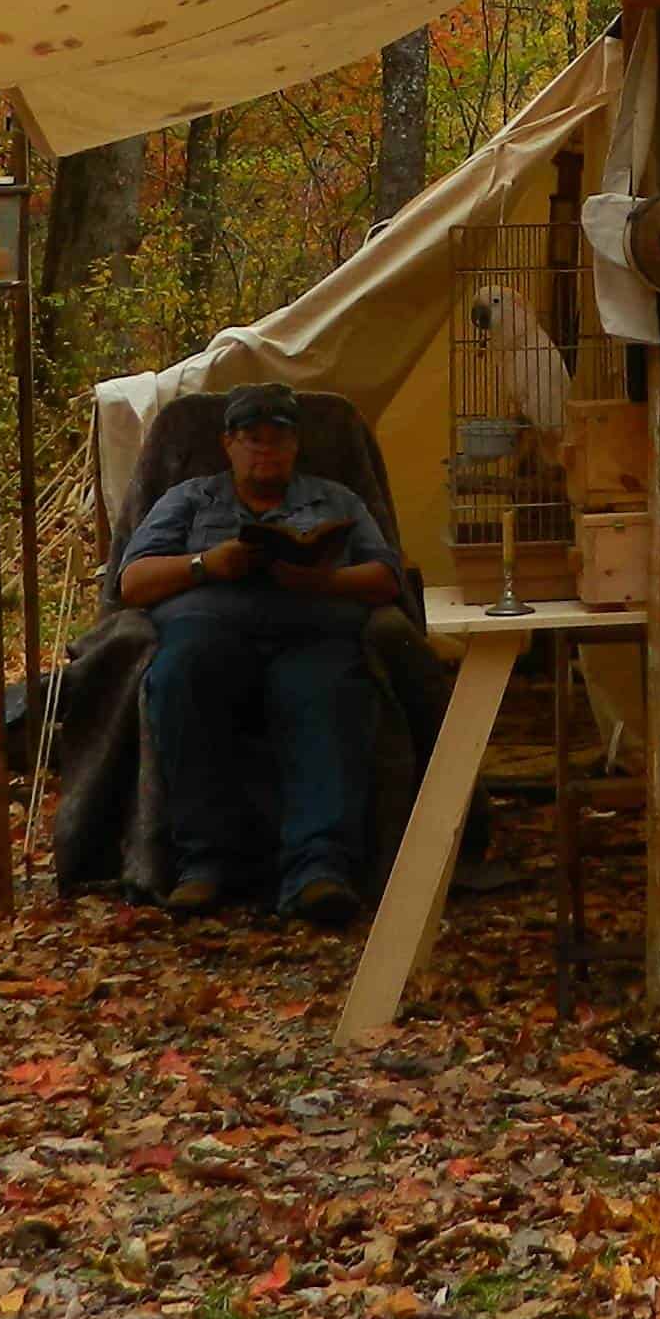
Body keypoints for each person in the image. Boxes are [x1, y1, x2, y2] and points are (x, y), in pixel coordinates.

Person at [112, 384, 404, 927]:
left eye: (279, 440)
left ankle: (318, 870)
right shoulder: (189, 499)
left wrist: (323, 578)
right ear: (229, 444)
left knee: (327, 688)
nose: (265, 451)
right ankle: (205, 864)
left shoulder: (335, 500)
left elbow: (387, 578)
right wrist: (205, 565)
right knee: (181, 675)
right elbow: (132, 581)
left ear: (296, 446)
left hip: (311, 630)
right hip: (207, 633)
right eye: (253, 440)